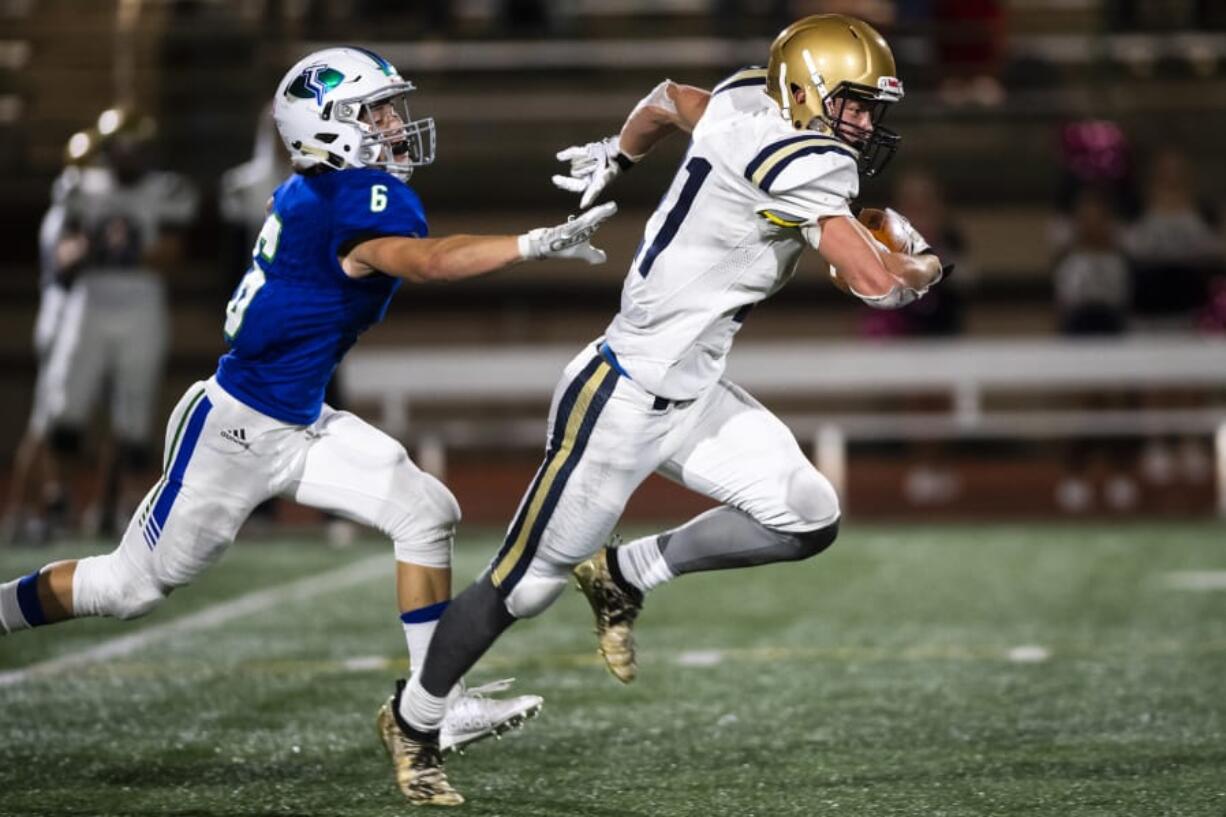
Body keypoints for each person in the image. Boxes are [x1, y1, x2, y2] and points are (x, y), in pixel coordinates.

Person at [0, 46, 616, 799]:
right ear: (329, 128)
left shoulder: (326, 190)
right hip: (235, 428)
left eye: (390, 108)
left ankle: (435, 706)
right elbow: (425, 263)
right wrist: (530, 244)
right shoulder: (344, 201)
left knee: (427, 511)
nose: (395, 124)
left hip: (300, 419)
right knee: (127, 587)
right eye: (375, 112)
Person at [387, 15, 948, 805]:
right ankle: (415, 720)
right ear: (806, 90)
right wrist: (922, 262)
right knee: (524, 585)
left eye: (868, 109)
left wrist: (620, 151)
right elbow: (876, 284)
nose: (862, 124)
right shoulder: (810, 158)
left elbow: (664, 100)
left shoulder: (747, 99)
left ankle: (627, 570)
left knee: (807, 514)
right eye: (851, 104)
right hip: (619, 395)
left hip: (693, 390)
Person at [36, 107, 199, 538]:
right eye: (121, 148)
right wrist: (103, 253)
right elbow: (64, 253)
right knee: (65, 408)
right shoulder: (80, 188)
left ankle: (130, 506)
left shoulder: (166, 188)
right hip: (87, 304)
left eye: (136, 148)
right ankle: (58, 502)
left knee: (134, 413)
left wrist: (105, 253)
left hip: (140, 306)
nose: (128, 157)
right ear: (108, 150)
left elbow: (170, 254)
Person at [0, 131, 98, 545]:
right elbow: (67, 263)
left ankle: (41, 504)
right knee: (44, 421)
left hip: (64, 317)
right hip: (61, 320)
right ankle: (20, 508)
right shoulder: (66, 211)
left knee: (54, 421)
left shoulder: (67, 209)